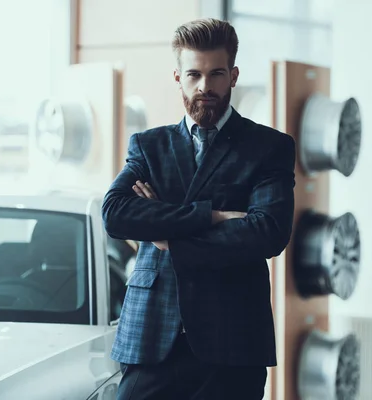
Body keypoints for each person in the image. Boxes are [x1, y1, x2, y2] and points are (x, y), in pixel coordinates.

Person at [102, 18, 296, 400]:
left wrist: (169, 237)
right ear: (178, 77)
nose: (204, 87)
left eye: (216, 74)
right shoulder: (148, 146)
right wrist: (212, 216)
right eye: (194, 74)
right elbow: (116, 213)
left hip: (232, 340)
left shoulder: (268, 147)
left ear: (233, 75)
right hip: (152, 335)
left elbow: (267, 232)